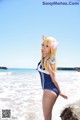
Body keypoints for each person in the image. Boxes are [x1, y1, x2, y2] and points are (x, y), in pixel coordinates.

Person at [37, 35, 68, 120]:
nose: (43, 47)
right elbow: (47, 54)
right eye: (43, 45)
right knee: (48, 117)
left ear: (51, 49)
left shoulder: (47, 61)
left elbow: (54, 79)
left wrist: (60, 92)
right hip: (51, 90)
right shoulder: (48, 58)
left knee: (46, 118)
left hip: (49, 91)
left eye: (47, 46)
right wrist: (45, 41)